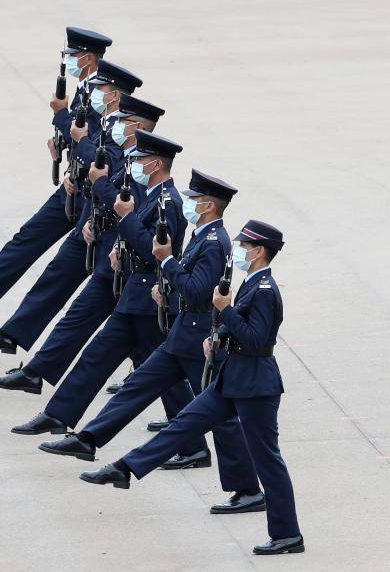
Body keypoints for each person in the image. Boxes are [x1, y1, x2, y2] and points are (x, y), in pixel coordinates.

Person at [78, 220, 305, 556]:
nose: (239, 250)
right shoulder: (251, 283)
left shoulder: (266, 290)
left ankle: (288, 535)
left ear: (259, 251)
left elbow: (257, 339)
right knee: (184, 423)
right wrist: (217, 337)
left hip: (256, 386)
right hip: (233, 377)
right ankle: (125, 468)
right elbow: (240, 326)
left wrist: (225, 313)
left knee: (267, 460)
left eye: (245, 246)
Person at [36, 171, 265, 500]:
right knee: (136, 386)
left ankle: (247, 490)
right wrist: (168, 288)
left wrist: (167, 262)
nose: (188, 203)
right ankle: (89, 439)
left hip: (198, 339)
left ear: (210, 205)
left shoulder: (215, 242)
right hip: (183, 334)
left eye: (195, 199)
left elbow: (199, 292)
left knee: (222, 418)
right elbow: (190, 284)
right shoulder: (205, 235)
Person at [0, 94, 164, 394]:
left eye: (123, 121)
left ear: (135, 127)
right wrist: (94, 223)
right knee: (84, 320)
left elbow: (128, 207)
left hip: (130, 266)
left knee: (157, 349)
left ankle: (194, 416)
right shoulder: (130, 159)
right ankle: (35, 373)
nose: (116, 124)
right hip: (112, 254)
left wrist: (98, 184)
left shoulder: (142, 168)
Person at [0, 59, 142, 354]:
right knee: (57, 277)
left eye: (102, 88)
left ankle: (160, 371)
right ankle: (13, 337)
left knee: (126, 307)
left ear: (114, 94)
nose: (95, 92)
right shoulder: (109, 121)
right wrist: (74, 169)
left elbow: (105, 165)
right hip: (90, 213)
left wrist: (64, 119)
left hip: (108, 222)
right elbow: (89, 159)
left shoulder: (125, 130)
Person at [0, 27, 111, 312]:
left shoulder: (101, 95)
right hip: (74, 183)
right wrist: (62, 144)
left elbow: (92, 140)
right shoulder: (86, 89)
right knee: (29, 236)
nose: (69, 61)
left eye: (73, 55)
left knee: (74, 269)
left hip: (90, 193)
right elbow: (79, 140)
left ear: (87, 58)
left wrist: (61, 114)